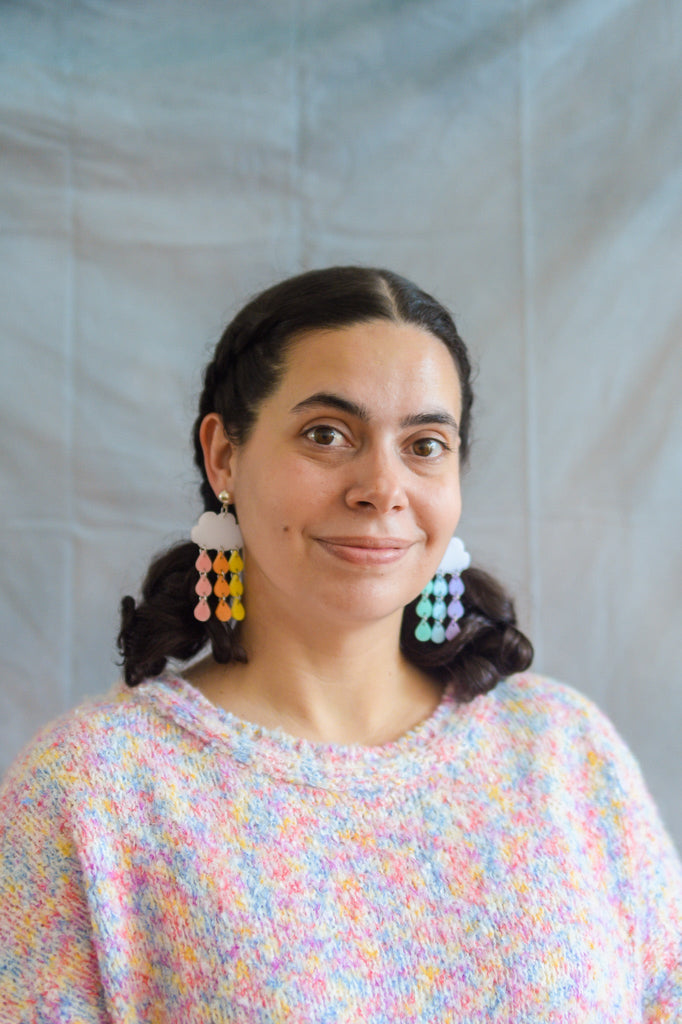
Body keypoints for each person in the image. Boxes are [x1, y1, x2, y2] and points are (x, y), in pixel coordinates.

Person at [0, 266, 680, 1022]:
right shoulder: (90, 791)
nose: (382, 487)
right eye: (327, 435)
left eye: (425, 444)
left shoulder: (566, 752)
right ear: (224, 456)